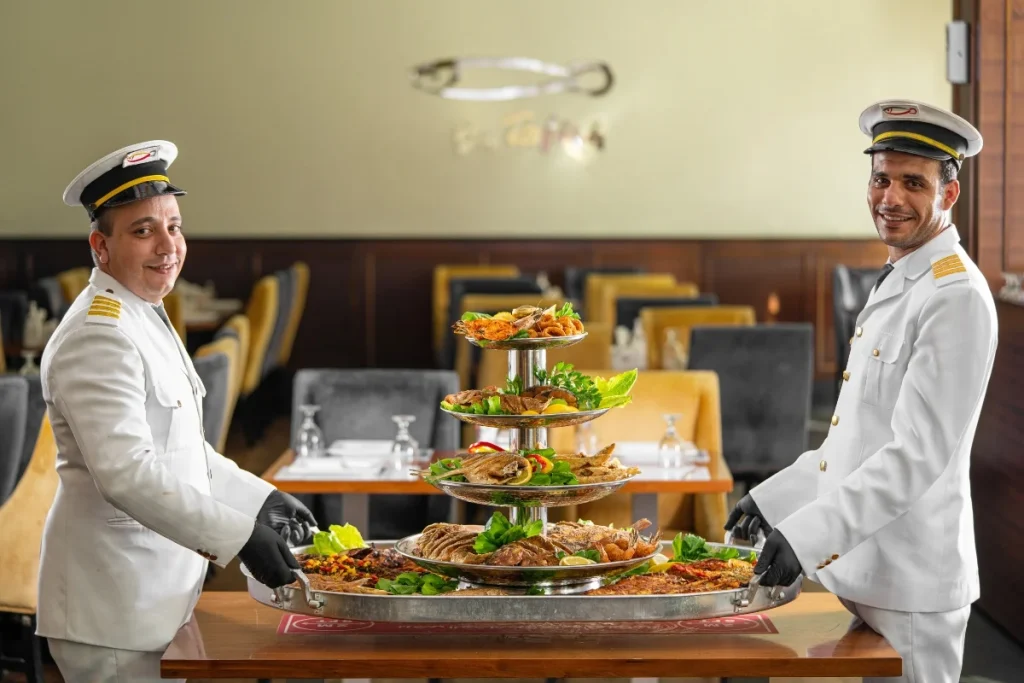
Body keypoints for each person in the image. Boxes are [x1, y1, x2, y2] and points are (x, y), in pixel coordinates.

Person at [725, 100, 998, 683]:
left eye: (912, 183)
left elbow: (914, 456)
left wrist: (805, 536)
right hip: (865, 569)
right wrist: (773, 500)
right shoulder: (903, 275)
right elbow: (856, 440)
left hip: (913, 584)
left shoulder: (955, 296)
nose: (890, 198)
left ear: (949, 194)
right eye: (880, 178)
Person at [37, 140, 317, 682]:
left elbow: (182, 450)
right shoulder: (100, 334)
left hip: (155, 592)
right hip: (114, 608)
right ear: (101, 246)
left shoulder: (144, 310)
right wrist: (241, 538)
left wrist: (262, 500)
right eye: (143, 231)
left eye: (174, 226)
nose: (168, 245)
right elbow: (127, 474)